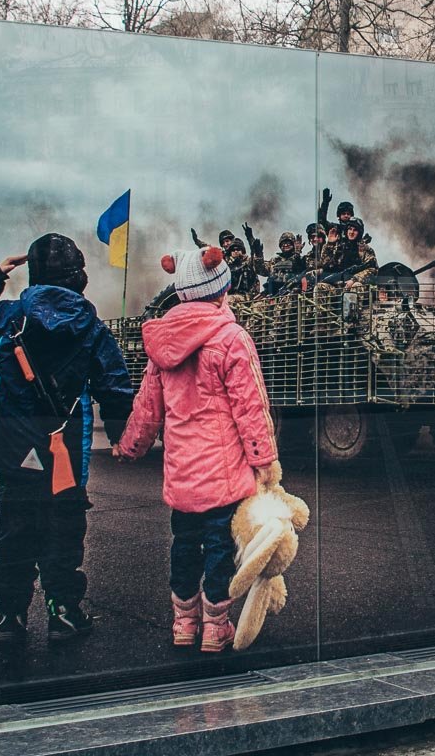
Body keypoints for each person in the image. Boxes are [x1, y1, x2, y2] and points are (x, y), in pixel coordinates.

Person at [0, 234, 135, 645]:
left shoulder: (7, 317)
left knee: (13, 533)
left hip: (14, 452)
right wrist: (124, 440)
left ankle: (11, 616)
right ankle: (64, 613)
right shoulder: (91, 327)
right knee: (63, 532)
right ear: (79, 276)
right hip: (65, 450)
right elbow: (116, 387)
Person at [115, 246, 279, 653]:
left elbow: (147, 406)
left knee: (184, 544)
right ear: (221, 291)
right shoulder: (231, 338)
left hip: (182, 472)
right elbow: (251, 406)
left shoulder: (161, 344)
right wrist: (265, 462)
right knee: (221, 547)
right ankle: (216, 625)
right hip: (224, 476)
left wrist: (130, 445)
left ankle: (183, 624)